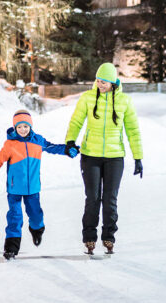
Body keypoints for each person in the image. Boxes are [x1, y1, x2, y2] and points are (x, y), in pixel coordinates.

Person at [0, 109, 78, 260]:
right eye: (19, 127)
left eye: (25, 126)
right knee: (15, 217)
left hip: (33, 189)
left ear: (30, 126)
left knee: (35, 214)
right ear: (15, 128)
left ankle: (37, 230)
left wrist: (66, 150)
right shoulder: (10, 145)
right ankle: (11, 248)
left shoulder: (38, 141)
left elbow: (52, 147)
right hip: (14, 189)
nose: (23, 129)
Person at [65, 62, 143, 255]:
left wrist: (138, 157)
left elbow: (133, 130)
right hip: (90, 155)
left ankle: (108, 237)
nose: (100, 84)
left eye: (104, 82)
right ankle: (89, 238)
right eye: (98, 81)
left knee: (110, 199)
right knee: (92, 198)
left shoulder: (124, 101)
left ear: (113, 82)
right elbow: (76, 120)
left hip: (115, 157)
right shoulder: (87, 98)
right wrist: (70, 141)